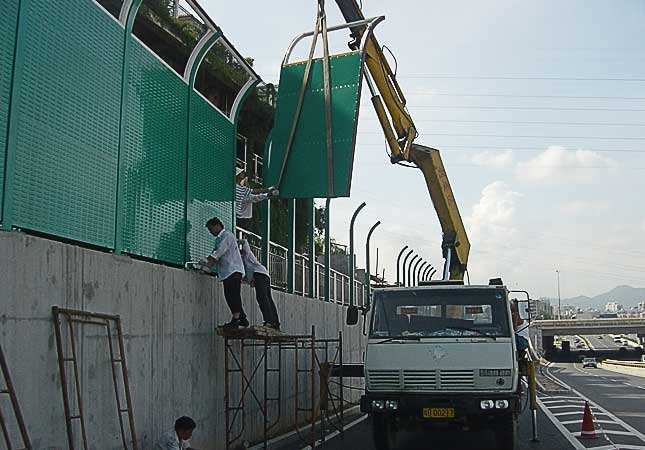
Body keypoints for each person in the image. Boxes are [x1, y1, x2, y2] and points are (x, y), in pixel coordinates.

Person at [201, 217, 248, 330]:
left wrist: (207, 262)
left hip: (233, 270)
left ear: (217, 225)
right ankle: (242, 318)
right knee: (230, 295)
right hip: (228, 272)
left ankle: (236, 319)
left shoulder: (227, 236)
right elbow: (215, 254)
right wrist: (206, 263)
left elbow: (219, 252)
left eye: (211, 229)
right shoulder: (219, 239)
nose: (211, 232)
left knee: (233, 295)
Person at [239, 239, 280, 330]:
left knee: (262, 298)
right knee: (268, 298)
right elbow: (245, 277)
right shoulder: (243, 264)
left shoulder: (247, 255)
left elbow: (245, 242)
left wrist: (236, 241)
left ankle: (269, 321)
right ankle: (275, 322)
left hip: (259, 275)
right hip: (264, 275)